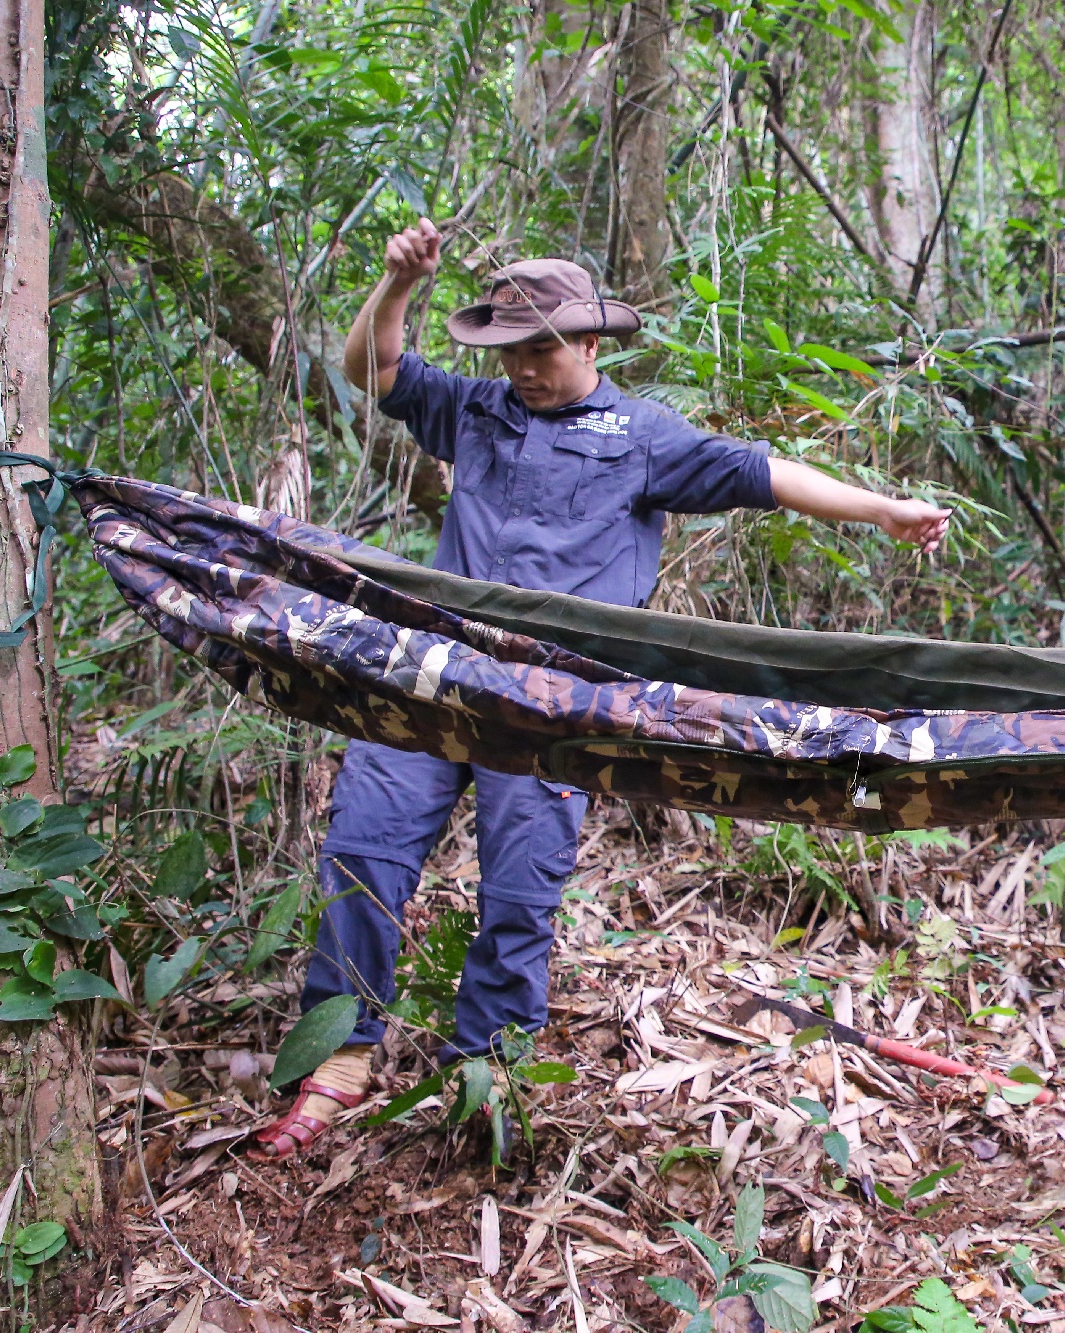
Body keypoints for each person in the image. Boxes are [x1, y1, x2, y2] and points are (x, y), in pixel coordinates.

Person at [255, 220, 951, 1158]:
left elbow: (766, 475)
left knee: (519, 890)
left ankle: (486, 1081)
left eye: (541, 348)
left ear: (588, 343)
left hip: (552, 707)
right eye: (511, 351)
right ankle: (336, 1063)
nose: (526, 368)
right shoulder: (474, 410)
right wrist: (396, 286)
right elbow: (372, 369)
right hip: (433, 678)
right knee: (364, 851)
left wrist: (885, 509)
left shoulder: (644, 438)